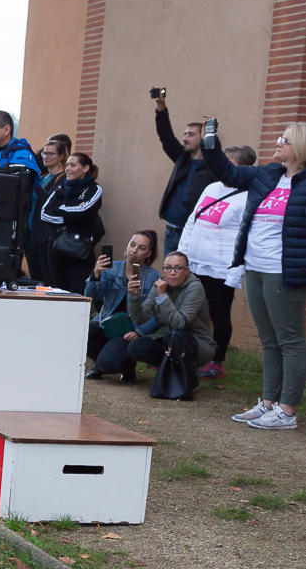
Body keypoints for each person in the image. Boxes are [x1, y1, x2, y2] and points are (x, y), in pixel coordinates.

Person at [203, 124, 306, 431]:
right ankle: (269, 403)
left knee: (290, 340)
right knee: (269, 340)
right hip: (254, 267)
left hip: (283, 272)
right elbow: (227, 172)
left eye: (285, 140)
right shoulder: (267, 175)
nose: (278, 142)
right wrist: (211, 140)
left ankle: (287, 411)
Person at [178, 145, 256, 379]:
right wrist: (181, 256)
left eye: (228, 163)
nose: (221, 167)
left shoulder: (249, 196)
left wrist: (235, 273)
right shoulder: (212, 187)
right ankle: (180, 354)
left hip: (221, 268)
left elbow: (245, 237)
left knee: (219, 314)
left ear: (243, 168)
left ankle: (217, 361)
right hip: (194, 262)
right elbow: (192, 221)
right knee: (187, 309)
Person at [126, 251, 217, 395]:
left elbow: (180, 323)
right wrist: (134, 296)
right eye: (168, 268)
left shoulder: (195, 288)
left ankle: (188, 379)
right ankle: (172, 372)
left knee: (177, 336)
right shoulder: (160, 285)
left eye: (178, 268)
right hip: (169, 340)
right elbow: (140, 319)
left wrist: (162, 296)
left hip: (198, 343)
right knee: (135, 347)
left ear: (186, 271)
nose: (172, 272)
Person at [84, 230, 161, 382]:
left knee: (109, 364)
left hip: (128, 331)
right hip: (106, 323)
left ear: (148, 253)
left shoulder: (154, 277)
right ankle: (102, 362)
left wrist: (139, 332)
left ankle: (120, 364)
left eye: (141, 248)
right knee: (81, 330)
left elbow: (159, 314)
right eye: (132, 245)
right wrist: (96, 273)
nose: (134, 250)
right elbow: (92, 296)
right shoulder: (111, 268)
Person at [154, 92, 215, 255]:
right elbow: (165, 136)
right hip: (171, 231)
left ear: (202, 137)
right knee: (169, 269)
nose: (185, 138)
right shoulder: (181, 158)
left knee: (188, 270)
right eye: (185, 134)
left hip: (193, 233)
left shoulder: (213, 167)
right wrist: (161, 107)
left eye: (191, 134)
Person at [41, 151, 104, 293]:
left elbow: (84, 211)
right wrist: (71, 215)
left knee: (78, 292)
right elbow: (44, 213)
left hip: (79, 248)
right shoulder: (61, 187)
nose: (68, 169)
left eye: (73, 165)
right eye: (67, 165)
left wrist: (60, 208)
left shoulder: (94, 189)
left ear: (85, 168)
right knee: (58, 292)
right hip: (56, 247)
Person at [26, 137, 70, 284]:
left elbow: (49, 202)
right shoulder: (43, 177)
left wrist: (35, 183)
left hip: (47, 235)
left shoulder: (63, 179)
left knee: (47, 278)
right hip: (32, 233)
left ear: (61, 156)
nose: (46, 157)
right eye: (44, 153)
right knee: (35, 278)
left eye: (51, 154)